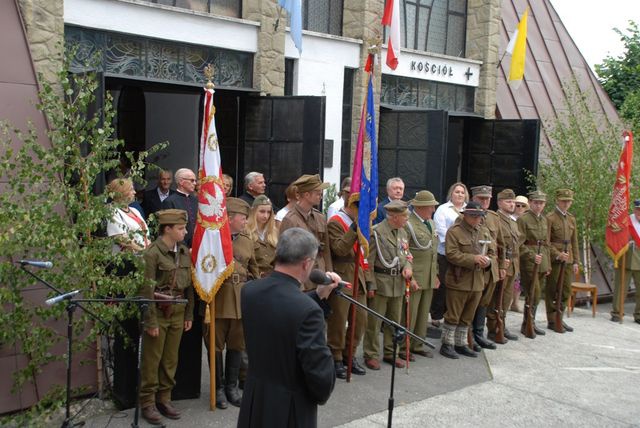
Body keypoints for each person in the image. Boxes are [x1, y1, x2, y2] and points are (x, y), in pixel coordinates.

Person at [238, 228, 338, 428]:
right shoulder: (308, 312)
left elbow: (278, 308)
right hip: (289, 409)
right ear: (306, 263)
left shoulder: (249, 291)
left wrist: (317, 296)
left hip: (256, 399)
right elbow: (320, 377)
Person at [138, 209, 194, 425]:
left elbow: (189, 284)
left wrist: (188, 313)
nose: (185, 231)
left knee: (171, 359)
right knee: (152, 360)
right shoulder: (152, 253)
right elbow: (146, 290)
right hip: (159, 312)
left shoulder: (183, 251)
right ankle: (147, 402)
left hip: (178, 311)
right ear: (167, 229)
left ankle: (165, 398)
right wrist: (150, 321)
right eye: (180, 228)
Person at [204, 197, 259, 409]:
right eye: (243, 218)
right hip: (219, 298)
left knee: (237, 345)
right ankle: (217, 390)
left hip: (241, 300)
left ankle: (231, 387)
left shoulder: (247, 239)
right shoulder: (212, 238)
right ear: (229, 218)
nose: (246, 222)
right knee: (215, 346)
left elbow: (253, 268)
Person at [441, 202, 496, 359]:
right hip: (459, 280)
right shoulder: (455, 232)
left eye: (479, 216)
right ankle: (447, 344)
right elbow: (451, 254)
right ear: (465, 215)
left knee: (468, 315)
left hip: (477, 281)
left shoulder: (484, 232)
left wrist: (489, 261)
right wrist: (473, 259)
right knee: (453, 314)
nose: (477, 219)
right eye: (473, 216)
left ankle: (461, 343)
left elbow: (492, 252)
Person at [363, 200, 413, 370]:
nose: (407, 218)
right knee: (374, 322)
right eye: (405, 215)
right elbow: (368, 262)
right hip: (381, 282)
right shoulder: (376, 233)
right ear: (394, 216)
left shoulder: (403, 232)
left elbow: (407, 255)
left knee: (395, 321)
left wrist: (408, 268)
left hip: (397, 283)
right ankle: (371, 354)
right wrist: (371, 285)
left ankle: (392, 352)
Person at [326, 194, 370, 378]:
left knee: (360, 320)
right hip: (342, 275)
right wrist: (354, 228)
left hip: (358, 275)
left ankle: (349, 355)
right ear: (351, 206)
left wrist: (369, 279)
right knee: (339, 319)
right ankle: (335, 357)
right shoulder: (335, 222)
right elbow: (339, 249)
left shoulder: (362, 224)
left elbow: (367, 253)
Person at [401, 190, 439, 360]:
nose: (433, 209)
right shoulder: (408, 223)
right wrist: (411, 278)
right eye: (430, 206)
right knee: (411, 314)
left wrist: (435, 274)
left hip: (429, 276)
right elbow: (404, 252)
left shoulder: (429, 223)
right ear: (421, 206)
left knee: (423, 314)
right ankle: (404, 347)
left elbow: (433, 252)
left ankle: (417, 344)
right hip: (415, 276)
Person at [468, 185, 506, 348]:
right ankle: (468, 334)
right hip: (473, 269)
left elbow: (501, 243)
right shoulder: (467, 215)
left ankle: (479, 333)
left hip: (491, 267)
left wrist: (502, 265)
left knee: (484, 301)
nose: (484, 202)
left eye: (487, 199)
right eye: (481, 198)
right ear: (474, 198)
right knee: (471, 301)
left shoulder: (494, 217)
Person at [279, 174, 333, 290]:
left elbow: (326, 250)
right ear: (307, 195)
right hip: (300, 280)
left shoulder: (320, 217)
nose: (321, 195)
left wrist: (329, 275)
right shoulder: (290, 219)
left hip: (320, 277)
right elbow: (284, 254)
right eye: (318, 193)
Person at [431, 182, 468, 330]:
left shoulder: (468, 209)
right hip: (445, 253)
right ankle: (436, 315)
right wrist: (457, 243)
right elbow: (440, 229)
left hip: (464, 255)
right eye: (457, 192)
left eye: (462, 192)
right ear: (451, 194)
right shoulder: (443, 209)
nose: (459, 194)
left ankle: (452, 315)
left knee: (458, 286)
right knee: (443, 286)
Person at [486, 189, 521, 339]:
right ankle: (494, 328)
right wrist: (501, 264)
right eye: (508, 201)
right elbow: (497, 244)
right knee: (497, 297)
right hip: (502, 263)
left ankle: (502, 323)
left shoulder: (513, 221)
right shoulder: (496, 219)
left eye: (513, 201)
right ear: (499, 202)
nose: (512, 204)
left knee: (506, 298)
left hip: (513, 263)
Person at [546, 188, 580, 333]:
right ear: (557, 201)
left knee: (566, 290)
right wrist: (557, 254)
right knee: (553, 289)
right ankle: (552, 319)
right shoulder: (550, 218)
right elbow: (546, 242)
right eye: (563, 201)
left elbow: (574, 242)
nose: (566, 204)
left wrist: (576, 261)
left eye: (569, 201)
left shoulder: (571, 218)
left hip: (568, 259)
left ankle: (560, 316)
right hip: (555, 259)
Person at [517, 190, 550, 336]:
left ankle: (531, 322)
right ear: (530, 203)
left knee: (537, 292)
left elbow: (546, 243)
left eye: (541, 203)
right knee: (534, 293)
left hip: (542, 259)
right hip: (529, 261)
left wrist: (547, 263)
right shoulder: (523, 219)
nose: (538, 206)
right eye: (536, 203)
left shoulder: (544, 220)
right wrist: (531, 256)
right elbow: (519, 243)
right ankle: (527, 323)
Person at [611, 199, 640, 324]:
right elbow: (616, 236)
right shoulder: (626, 220)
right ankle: (617, 313)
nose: (639, 212)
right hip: (626, 257)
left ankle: (638, 315)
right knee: (620, 287)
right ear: (634, 209)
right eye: (638, 209)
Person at [106, 177, 150, 256]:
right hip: (127, 259)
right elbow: (121, 238)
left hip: (144, 256)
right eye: (131, 189)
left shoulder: (134, 210)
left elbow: (146, 234)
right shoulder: (113, 212)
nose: (135, 192)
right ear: (122, 192)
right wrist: (143, 250)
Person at [161, 168, 198, 247]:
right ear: (181, 182)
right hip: (179, 247)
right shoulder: (169, 201)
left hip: (197, 246)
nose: (195, 183)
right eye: (192, 180)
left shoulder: (195, 200)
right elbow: (170, 229)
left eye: (195, 181)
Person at [247, 195, 278, 277]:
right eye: (262, 211)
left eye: (269, 212)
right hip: (254, 278)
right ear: (253, 211)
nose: (266, 216)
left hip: (271, 278)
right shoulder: (246, 231)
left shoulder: (274, 233)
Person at [510, 195, 530, 312]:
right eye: (517, 205)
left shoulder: (527, 220)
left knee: (519, 280)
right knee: (513, 279)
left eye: (523, 206)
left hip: (525, 253)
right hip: (513, 253)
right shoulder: (510, 218)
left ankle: (516, 302)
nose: (520, 208)